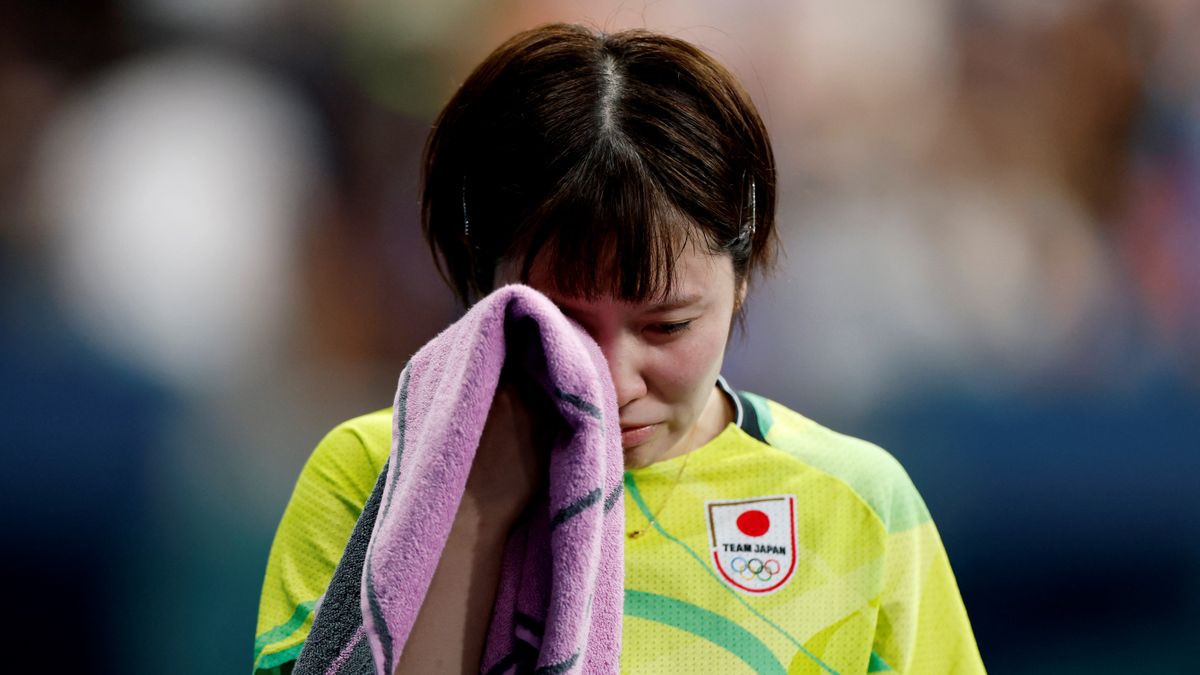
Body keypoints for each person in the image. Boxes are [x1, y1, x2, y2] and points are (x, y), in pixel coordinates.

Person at [253, 23, 984, 675]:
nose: (609, 380)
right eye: (565, 325)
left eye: (667, 326)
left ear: (741, 279)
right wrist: (472, 507)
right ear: (485, 283)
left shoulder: (858, 501)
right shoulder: (366, 474)